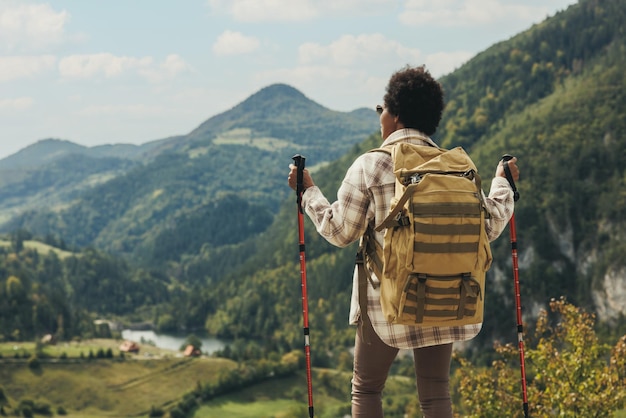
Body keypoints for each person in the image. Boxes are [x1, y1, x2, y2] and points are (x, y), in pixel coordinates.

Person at [288, 65, 519, 418]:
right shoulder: (459, 168)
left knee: (366, 388)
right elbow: (490, 224)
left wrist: (308, 193)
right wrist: (503, 182)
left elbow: (340, 231)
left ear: (394, 116)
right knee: (436, 392)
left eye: (382, 110)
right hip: (448, 297)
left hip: (387, 302)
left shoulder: (372, 165)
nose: (380, 118)